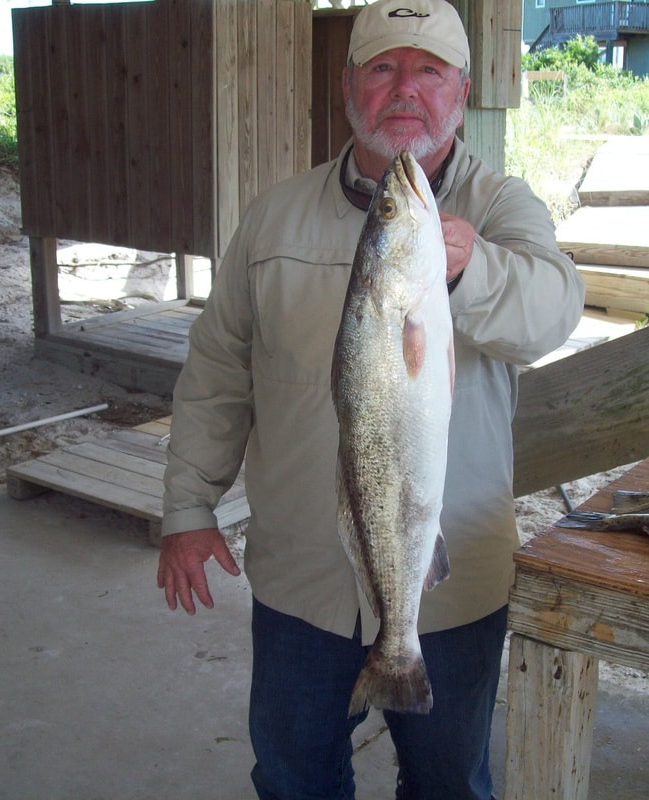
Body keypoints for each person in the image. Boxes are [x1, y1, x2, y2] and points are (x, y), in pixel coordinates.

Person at [157, 0, 585, 797]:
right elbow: (217, 370)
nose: (405, 91)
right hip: (302, 580)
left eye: (428, 72)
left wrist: (473, 268)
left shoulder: (501, 208)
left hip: (447, 583)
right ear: (350, 85)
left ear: (462, 90)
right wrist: (187, 508)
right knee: (292, 777)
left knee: (449, 784)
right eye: (384, 68)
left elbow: (552, 313)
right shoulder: (272, 217)